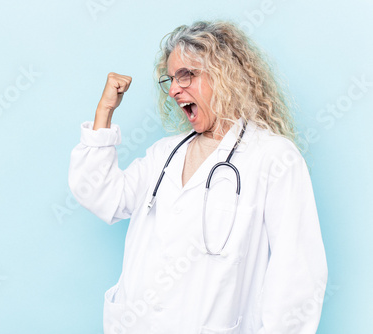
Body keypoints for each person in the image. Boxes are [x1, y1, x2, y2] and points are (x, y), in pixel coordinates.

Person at [69, 20, 327, 334]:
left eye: (186, 75)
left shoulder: (274, 158)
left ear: (224, 74)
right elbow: (102, 197)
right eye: (171, 79)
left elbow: (297, 275)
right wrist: (105, 111)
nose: (174, 89)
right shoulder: (164, 154)